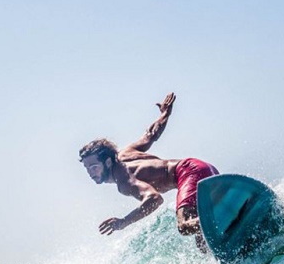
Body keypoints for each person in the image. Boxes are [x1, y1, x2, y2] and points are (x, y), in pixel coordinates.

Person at [78, 92, 219, 246]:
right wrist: (165, 114)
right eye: (87, 168)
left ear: (107, 162)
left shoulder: (124, 181)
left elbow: (154, 199)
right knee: (203, 241)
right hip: (200, 166)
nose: (90, 173)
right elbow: (150, 135)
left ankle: (221, 215)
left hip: (189, 173)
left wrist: (123, 222)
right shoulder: (126, 153)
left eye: (94, 167)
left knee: (184, 226)